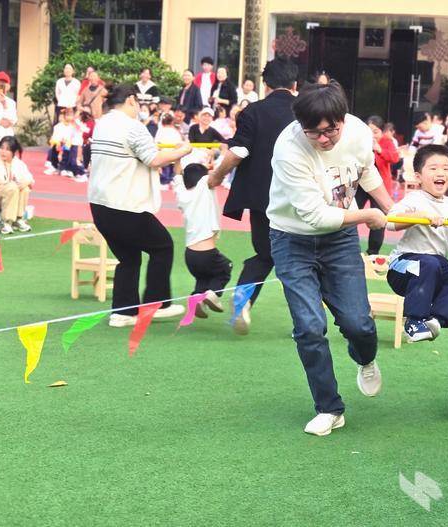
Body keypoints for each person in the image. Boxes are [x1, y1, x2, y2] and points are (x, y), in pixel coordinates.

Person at [266, 81, 393, 436]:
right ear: (301, 126)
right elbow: (316, 216)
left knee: (358, 324)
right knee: (309, 326)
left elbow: (367, 171)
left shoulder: (358, 132)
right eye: (314, 132)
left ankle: (365, 358)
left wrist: (391, 208)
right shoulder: (289, 149)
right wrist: (368, 216)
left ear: (343, 119)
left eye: (330, 130)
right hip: (291, 238)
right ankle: (329, 408)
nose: (324, 139)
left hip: (340, 239)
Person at [88, 84, 193, 327]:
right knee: (162, 246)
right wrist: (183, 150)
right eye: (138, 103)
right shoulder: (132, 126)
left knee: (129, 257)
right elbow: (154, 159)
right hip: (124, 205)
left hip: (99, 205)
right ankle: (157, 305)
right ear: (131, 100)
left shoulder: (102, 124)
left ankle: (123, 313)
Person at [206, 58, 299, 334]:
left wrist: (216, 176)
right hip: (300, 197)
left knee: (265, 253)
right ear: (295, 85)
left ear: (265, 84)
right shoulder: (306, 111)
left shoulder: (252, 112)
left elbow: (239, 152)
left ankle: (243, 298)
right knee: (303, 259)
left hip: (262, 197)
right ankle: (308, 321)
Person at [385, 144, 448, 342]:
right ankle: (413, 321)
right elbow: (391, 222)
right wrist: (420, 216)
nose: (440, 173)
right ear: (418, 176)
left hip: (435, 270)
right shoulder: (414, 199)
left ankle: (435, 320)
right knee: (429, 263)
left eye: (446, 168)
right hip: (402, 267)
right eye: (433, 168)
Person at [174, 158, 232, 317]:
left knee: (203, 277)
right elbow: (216, 174)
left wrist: (178, 159)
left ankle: (196, 299)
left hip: (190, 255)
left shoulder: (181, 193)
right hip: (206, 253)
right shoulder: (204, 187)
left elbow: (177, 175)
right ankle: (213, 294)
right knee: (225, 268)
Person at [356, 117, 397, 255]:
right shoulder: (360, 141)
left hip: (380, 186)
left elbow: (394, 158)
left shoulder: (387, 142)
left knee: (379, 218)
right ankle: (350, 247)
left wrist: (379, 150)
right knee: (352, 212)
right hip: (361, 184)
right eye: (369, 131)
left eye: (376, 131)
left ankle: (373, 252)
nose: (372, 135)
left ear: (382, 132)